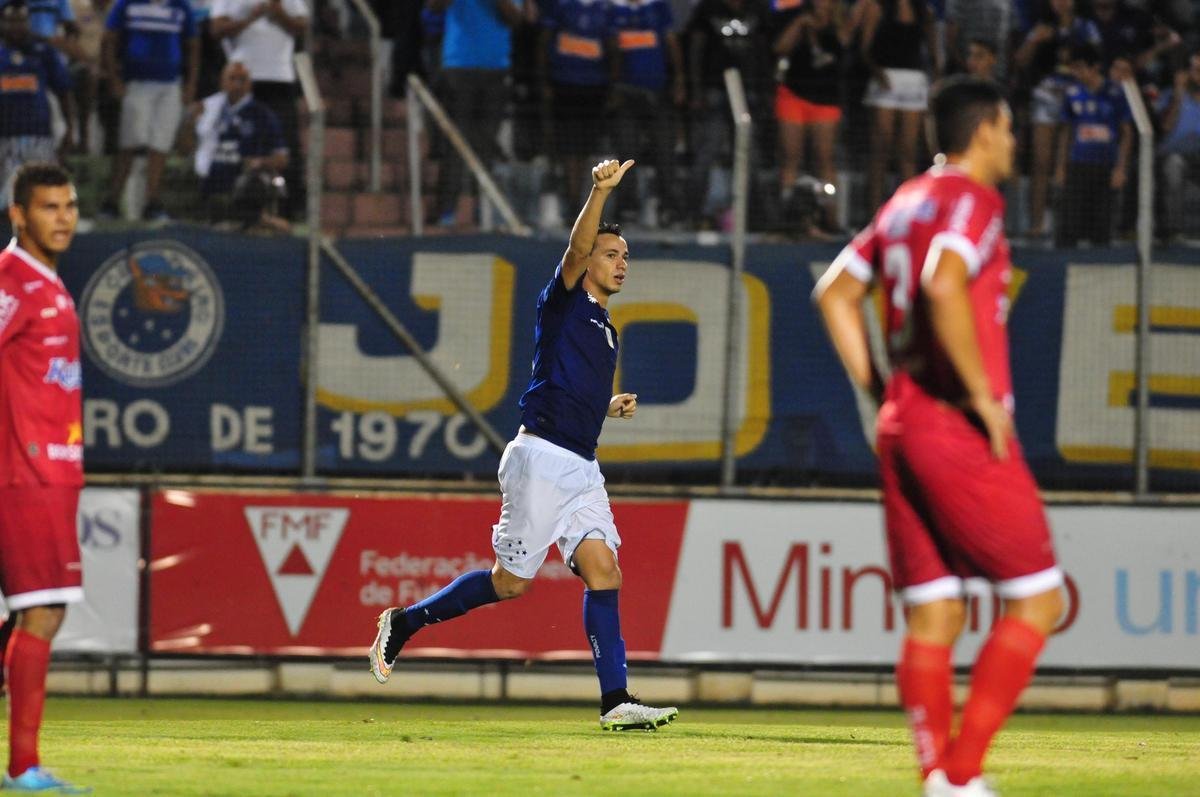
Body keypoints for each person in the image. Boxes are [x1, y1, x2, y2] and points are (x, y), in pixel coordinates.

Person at [814, 77, 1065, 796]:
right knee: (1039, 600)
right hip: (953, 423)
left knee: (937, 611)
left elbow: (835, 290)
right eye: (1011, 128)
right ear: (985, 129)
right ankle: (962, 771)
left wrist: (876, 389)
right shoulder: (973, 201)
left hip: (900, 423)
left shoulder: (903, 202)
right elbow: (943, 280)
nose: (1015, 142)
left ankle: (937, 779)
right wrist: (983, 397)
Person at [369, 159, 679, 733]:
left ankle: (616, 701)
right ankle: (406, 623)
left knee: (604, 570)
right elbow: (574, 250)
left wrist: (605, 406)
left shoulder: (605, 328)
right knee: (510, 583)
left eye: (625, 257)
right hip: (539, 461)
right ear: (587, 262)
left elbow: (565, 386)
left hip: (582, 467)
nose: (620, 264)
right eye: (610, 254)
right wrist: (597, 193)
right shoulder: (562, 302)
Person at [0, 162, 88, 793]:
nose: (62, 218)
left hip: (50, 471)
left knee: (32, 614)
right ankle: (25, 767)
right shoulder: (13, 280)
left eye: (69, 206)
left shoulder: (49, 284)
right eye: (49, 207)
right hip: (24, 473)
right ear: (18, 214)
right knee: (42, 611)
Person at [99, 0, 197, 221]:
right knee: (129, 144)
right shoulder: (126, 4)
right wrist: (114, 78)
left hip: (170, 85)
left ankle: (152, 203)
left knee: (160, 146)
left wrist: (190, 83)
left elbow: (193, 45)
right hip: (136, 83)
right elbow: (110, 39)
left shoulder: (180, 6)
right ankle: (112, 202)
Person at [209, 0, 308, 219]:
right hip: (242, 79)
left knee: (285, 148)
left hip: (279, 79)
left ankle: (287, 210)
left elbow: (302, 27)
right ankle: (233, 209)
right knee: (238, 146)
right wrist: (251, 17)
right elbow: (216, 30)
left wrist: (278, 13)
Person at [770, 0, 853, 237]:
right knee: (790, 159)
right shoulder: (794, 15)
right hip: (793, 94)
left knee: (824, 160)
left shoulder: (841, 21)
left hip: (826, 99)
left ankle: (829, 216)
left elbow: (843, 46)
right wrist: (800, 24)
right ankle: (788, 215)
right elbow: (780, 48)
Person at [859, 0, 939, 213]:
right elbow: (865, 49)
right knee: (880, 150)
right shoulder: (878, 8)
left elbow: (933, 53)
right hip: (885, 80)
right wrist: (878, 74)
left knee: (908, 152)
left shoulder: (925, 11)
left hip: (914, 82)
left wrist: (935, 84)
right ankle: (875, 213)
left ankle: (908, 212)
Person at [1053, 41, 1131, 247]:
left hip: (1106, 165)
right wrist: (1061, 167)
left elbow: (1127, 134)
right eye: (1073, 68)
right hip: (1078, 164)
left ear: (1095, 67)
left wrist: (1120, 168)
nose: (1076, 72)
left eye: (1080, 67)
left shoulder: (1116, 94)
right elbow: (1065, 132)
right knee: (1070, 221)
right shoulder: (1072, 94)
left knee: (1102, 223)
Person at [192, 60, 287, 222]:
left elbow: (282, 159)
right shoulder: (209, 109)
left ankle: (261, 221)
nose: (237, 84)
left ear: (250, 84)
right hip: (209, 177)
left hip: (244, 181)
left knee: (252, 183)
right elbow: (185, 148)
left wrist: (259, 162)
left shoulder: (262, 115)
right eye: (232, 78)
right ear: (222, 82)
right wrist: (190, 122)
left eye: (242, 79)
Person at [0, 0, 73, 207]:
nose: (16, 26)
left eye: (21, 21)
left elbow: (64, 91)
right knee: (7, 203)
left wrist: (70, 129)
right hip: (4, 139)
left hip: (38, 138)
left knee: (40, 198)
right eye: (11, 21)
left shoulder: (43, 52)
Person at [1157, 51, 1200, 240]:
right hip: (1176, 154)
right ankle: (1175, 230)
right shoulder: (1171, 95)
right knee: (1174, 166)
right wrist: (1178, 94)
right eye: (1195, 69)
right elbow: (1166, 126)